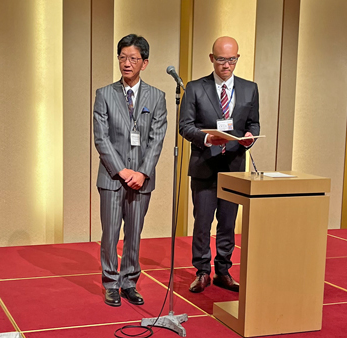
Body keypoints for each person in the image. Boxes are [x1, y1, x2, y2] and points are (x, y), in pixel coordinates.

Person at [179, 36, 260, 293]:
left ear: (238, 58)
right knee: (202, 223)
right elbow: (185, 126)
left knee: (228, 223)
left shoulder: (249, 88)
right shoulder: (195, 87)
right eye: (222, 59)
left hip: (234, 166)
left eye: (232, 59)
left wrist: (250, 139)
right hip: (204, 164)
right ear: (212, 58)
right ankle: (202, 271)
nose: (227, 65)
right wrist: (205, 138)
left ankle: (223, 270)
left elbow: (253, 124)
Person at [94, 34, 167, 306]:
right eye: (122, 57)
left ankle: (129, 282)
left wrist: (142, 172)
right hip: (113, 178)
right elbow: (101, 138)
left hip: (142, 180)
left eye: (133, 58)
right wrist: (123, 171)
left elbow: (156, 139)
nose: (127, 63)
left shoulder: (157, 97)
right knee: (110, 234)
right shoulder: (104, 94)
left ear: (144, 63)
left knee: (134, 233)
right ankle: (111, 283)